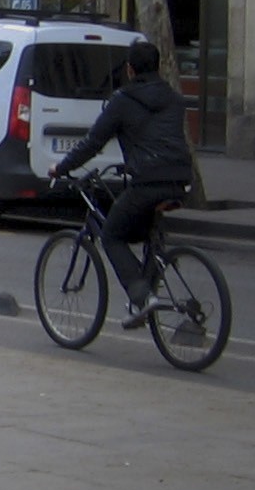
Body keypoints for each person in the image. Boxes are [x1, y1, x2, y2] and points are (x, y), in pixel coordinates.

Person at [49, 39, 195, 328]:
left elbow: (93, 143)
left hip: (148, 182)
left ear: (129, 70)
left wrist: (61, 168)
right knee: (147, 232)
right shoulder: (174, 99)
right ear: (159, 66)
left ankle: (142, 295)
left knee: (112, 235)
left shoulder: (122, 101)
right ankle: (146, 291)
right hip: (180, 179)